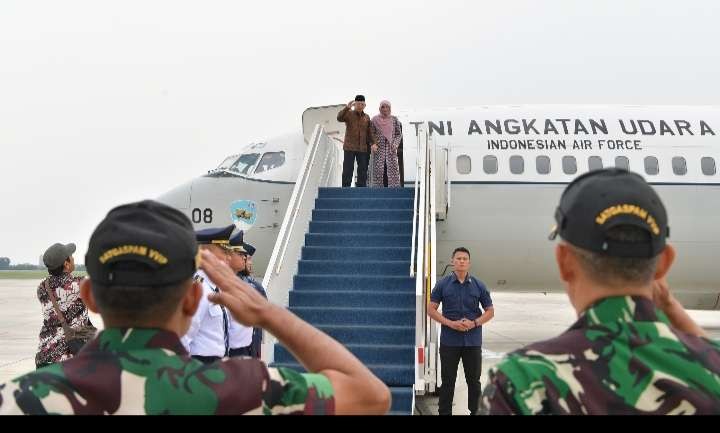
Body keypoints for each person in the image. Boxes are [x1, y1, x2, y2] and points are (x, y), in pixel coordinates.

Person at [0, 200, 390, 415]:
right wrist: (269, 314)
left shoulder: (17, 398)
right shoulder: (248, 391)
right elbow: (370, 395)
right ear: (192, 298)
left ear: (89, 297)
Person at [480, 168, 720, 415]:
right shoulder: (711, 369)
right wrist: (677, 315)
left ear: (564, 261)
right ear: (665, 263)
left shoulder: (522, 382)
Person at [427, 247, 495, 415]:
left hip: (472, 341)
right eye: (458, 258)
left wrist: (474, 323)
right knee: (448, 381)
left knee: (474, 381)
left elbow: (490, 311)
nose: (462, 261)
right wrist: (450, 323)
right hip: (449, 341)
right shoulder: (443, 284)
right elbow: (431, 309)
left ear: (469, 263)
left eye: (465, 259)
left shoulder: (479, 285)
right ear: (452, 262)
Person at [181, 225, 252, 363]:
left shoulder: (213, 287)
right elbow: (183, 338)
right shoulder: (198, 289)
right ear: (207, 253)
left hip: (216, 364)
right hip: (200, 365)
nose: (228, 257)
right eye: (224, 251)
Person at [34, 243, 95, 369]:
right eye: (71, 256)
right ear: (66, 264)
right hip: (69, 361)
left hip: (45, 358)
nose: (73, 258)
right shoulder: (80, 285)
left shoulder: (42, 287)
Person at [229, 232, 266, 358]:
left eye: (248, 258)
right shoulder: (226, 284)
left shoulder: (254, 286)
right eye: (246, 257)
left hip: (251, 346)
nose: (248, 261)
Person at [337, 95, 377, 187]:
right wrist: (346, 108)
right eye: (358, 104)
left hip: (362, 148)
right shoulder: (349, 114)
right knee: (348, 169)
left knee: (362, 169)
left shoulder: (367, 117)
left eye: (362, 104)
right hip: (349, 147)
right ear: (355, 104)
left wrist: (374, 143)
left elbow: (369, 132)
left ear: (365, 105)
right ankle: (346, 189)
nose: (360, 106)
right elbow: (339, 118)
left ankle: (361, 188)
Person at [370, 100, 402, 188]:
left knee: (391, 169)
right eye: (382, 107)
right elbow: (370, 133)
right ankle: (378, 190)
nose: (385, 109)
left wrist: (395, 144)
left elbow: (398, 134)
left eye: (387, 107)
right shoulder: (374, 119)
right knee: (379, 170)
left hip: (390, 149)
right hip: (378, 149)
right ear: (379, 108)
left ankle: (393, 190)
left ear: (390, 108)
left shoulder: (394, 119)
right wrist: (373, 144)